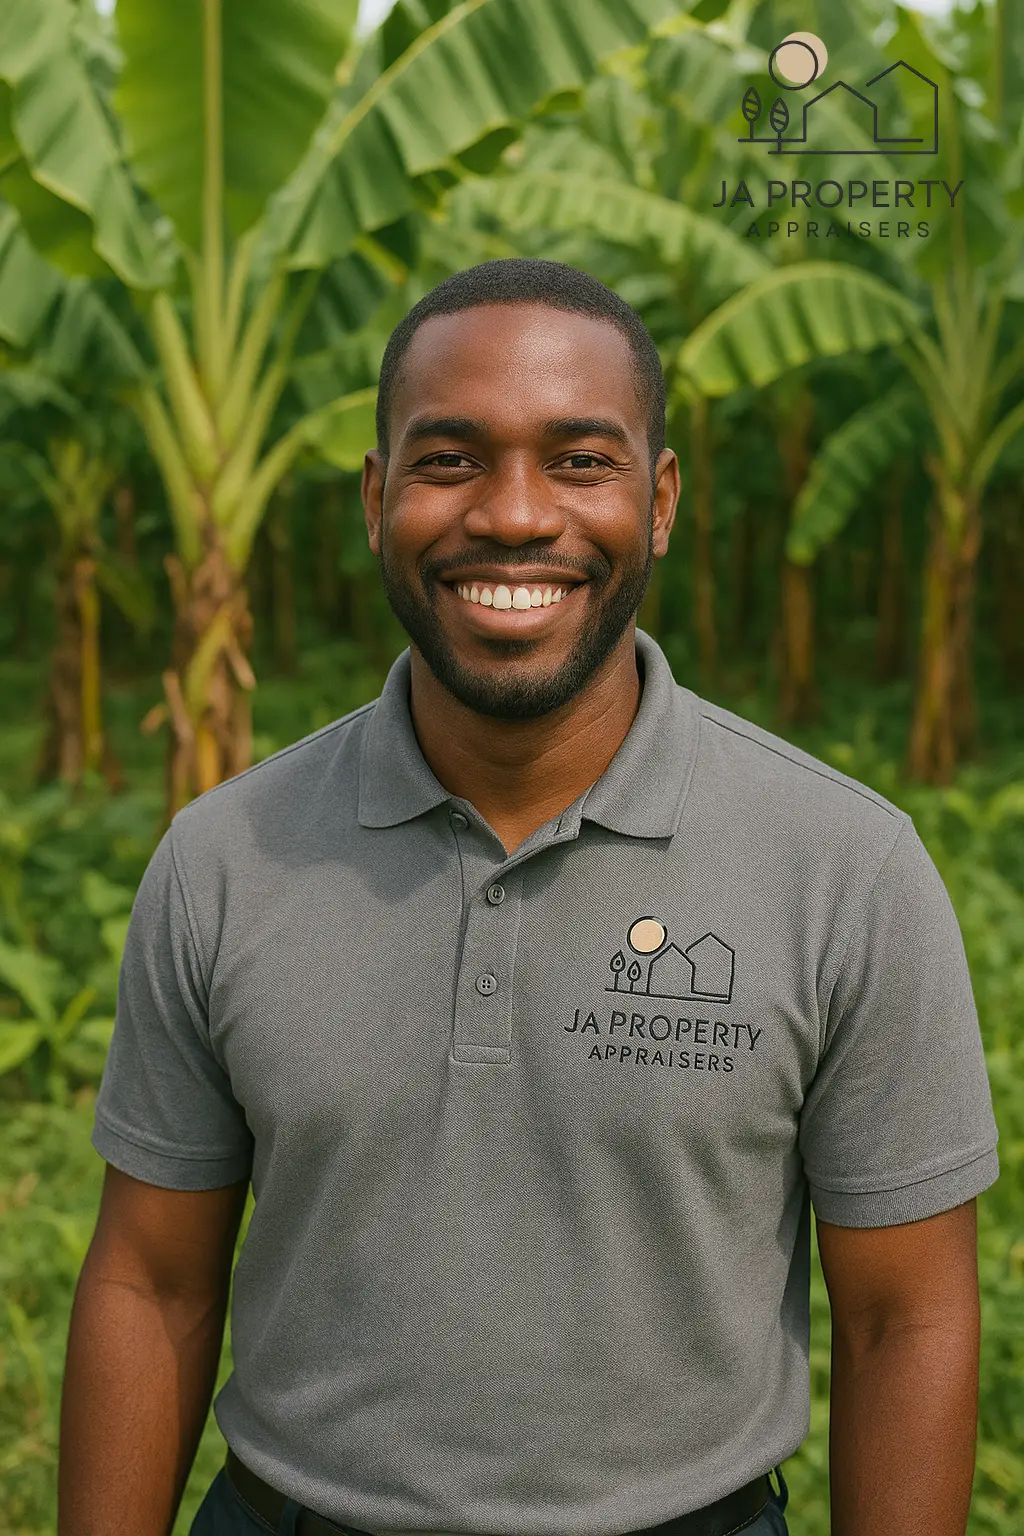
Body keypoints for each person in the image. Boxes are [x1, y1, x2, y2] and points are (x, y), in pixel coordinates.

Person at [59, 258, 999, 1536]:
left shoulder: (845, 868)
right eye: (449, 460)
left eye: (579, 461)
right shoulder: (225, 858)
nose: (511, 515)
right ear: (376, 497)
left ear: (658, 502)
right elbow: (153, 1285)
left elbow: (907, 1317)